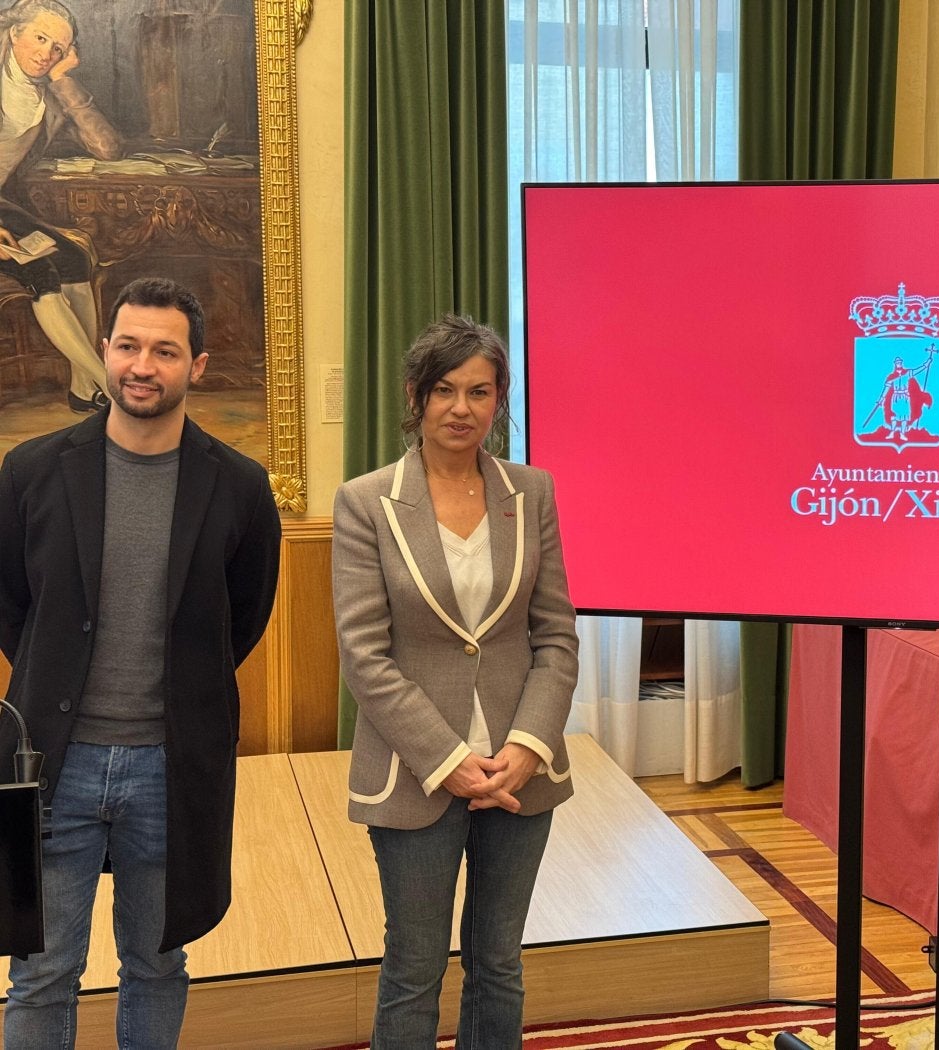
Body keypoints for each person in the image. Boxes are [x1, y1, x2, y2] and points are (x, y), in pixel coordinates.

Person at [0, 276, 281, 1048]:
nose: (142, 365)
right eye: (128, 346)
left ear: (197, 364)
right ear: (104, 352)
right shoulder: (31, 473)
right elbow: (12, 606)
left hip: (172, 763)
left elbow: (244, 616)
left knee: (157, 964)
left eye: (165, 350)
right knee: (41, 970)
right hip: (55, 764)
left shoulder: (241, 486)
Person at [333, 315, 579, 1049]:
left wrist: (530, 745)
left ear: (501, 400)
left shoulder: (531, 492)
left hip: (519, 771)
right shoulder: (366, 501)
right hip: (416, 773)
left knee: (499, 965)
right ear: (416, 395)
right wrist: (449, 762)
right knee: (413, 968)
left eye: (479, 391)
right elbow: (363, 654)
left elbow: (556, 635)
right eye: (444, 390)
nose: (461, 408)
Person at [0, 0, 122, 412]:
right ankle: (110, 383)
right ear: (14, 32)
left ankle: (83, 388)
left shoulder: (48, 88)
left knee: (71, 258)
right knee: (36, 268)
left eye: (58, 47)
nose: (46, 52)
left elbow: (108, 148)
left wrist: (63, 80)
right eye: (40, 37)